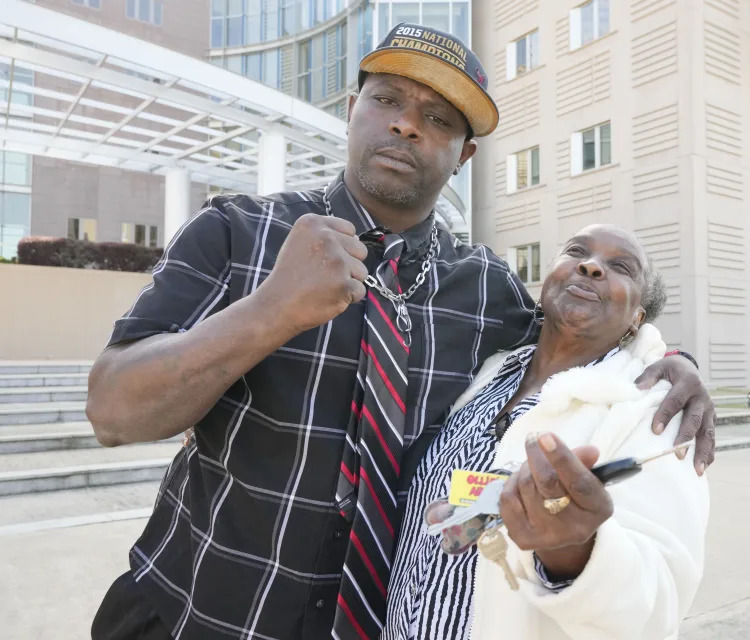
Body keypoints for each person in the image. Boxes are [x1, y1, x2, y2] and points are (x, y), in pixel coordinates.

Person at [87, 23, 716, 640]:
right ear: (354, 107)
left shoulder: (488, 287)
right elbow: (114, 414)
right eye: (387, 99)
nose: (408, 123)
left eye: (440, 119)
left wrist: (673, 362)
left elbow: (581, 339)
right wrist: (271, 309)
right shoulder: (237, 230)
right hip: (194, 611)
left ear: (464, 156)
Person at [385, 224, 709, 640]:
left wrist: (574, 552)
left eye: (620, 267)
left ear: (638, 318)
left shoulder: (655, 412)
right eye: (577, 251)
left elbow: (659, 603)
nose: (591, 266)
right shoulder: (486, 369)